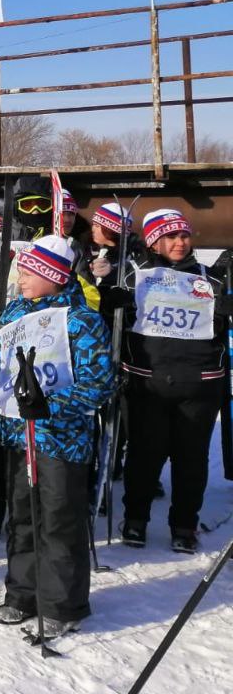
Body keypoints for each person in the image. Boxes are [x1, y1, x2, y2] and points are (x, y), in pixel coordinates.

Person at [0, 235, 112, 636]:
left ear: (52, 276)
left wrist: (51, 406)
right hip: (20, 435)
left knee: (58, 520)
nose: (19, 278)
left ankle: (62, 604)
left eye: (27, 272)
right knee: (23, 519)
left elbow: (100, 383)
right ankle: (21, 595)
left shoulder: (81, 320)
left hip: (62, 439)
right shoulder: (12, 315)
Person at [116, 209, 233, 553]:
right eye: (170, 236)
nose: (179, 242)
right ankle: (135, 519)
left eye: (184, 236)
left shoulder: (209, 279)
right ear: (153, 241)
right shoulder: (136, 277)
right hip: (148, 382)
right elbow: (106, 308)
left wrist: (226, 307)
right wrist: (112, 298)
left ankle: (184, 525)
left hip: (198, 383)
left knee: (191, 460)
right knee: (143, 456)